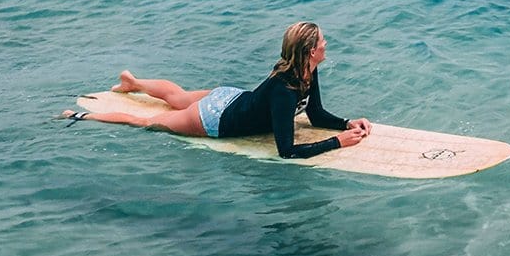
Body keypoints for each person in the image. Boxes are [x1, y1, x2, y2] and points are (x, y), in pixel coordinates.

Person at [58, 22, 371, 158]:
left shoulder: (305, 70)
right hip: (215, 118)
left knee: (178, 97)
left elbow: (314, 113)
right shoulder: (284, 89)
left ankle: (134, 83)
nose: (326, 44)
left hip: (232, 96)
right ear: (310, 51)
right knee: (146, 122)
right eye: (322, 42)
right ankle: (79, 116)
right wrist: (337, 142)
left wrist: (346, 123)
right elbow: (286, 151)